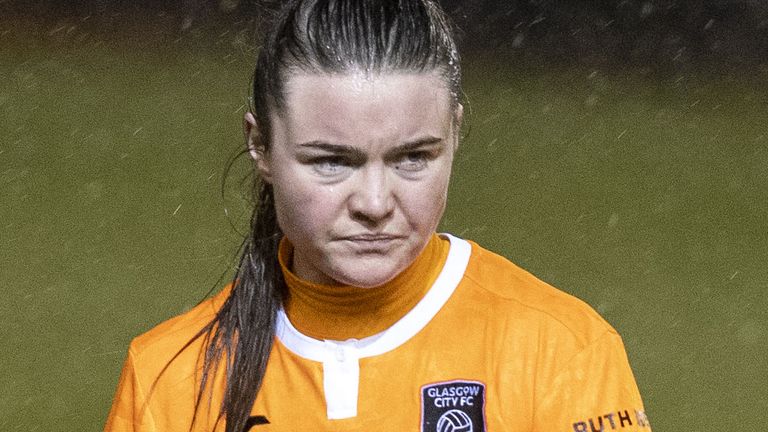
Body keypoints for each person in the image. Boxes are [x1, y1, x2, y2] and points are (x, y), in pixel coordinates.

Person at [104, 0, 652, 431]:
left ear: (455, 135)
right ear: (261, 146)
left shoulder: (561, 351)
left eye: (412, 157)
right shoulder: (168, 378)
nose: (373, 203)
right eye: (331, 162)